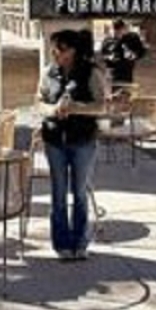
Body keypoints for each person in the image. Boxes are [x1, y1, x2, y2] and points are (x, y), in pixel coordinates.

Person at [38, 29, 106, 261]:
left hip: (82, 140)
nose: (56, 53)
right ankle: (61, 244)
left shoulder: (90, 72)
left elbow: (101, 105)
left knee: (79, 192)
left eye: (62, 48)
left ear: (74, 50)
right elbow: (38, 102)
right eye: (54, 48)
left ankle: (80, 242)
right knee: (58, 193)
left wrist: (75, 108)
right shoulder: (48, 72)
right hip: (54, 139)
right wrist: (52, 110)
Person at [100, 19, 147, 90]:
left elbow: (139, 53)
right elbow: (108, 58)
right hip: (118, 74)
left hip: (123, 73)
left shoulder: (126, 40)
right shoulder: (111, 42)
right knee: (120, 89)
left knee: (122, 88)